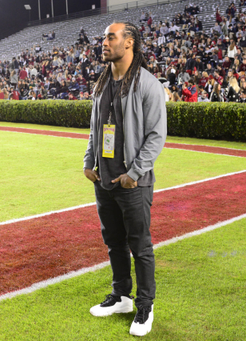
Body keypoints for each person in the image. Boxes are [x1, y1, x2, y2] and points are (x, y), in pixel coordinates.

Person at [83, 21, 167, 337]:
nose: (104, 42)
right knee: (113, 242)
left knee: (140, 246)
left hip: (132, 183)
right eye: (104, 37)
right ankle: (122, 297)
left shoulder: (148, 84)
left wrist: (133, 173)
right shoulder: (103, 83)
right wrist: (88, 161)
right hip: (104, 180)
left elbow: (157, 136)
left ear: (128, 42)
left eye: (110, 37)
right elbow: (95, 128)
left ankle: (145, 306)